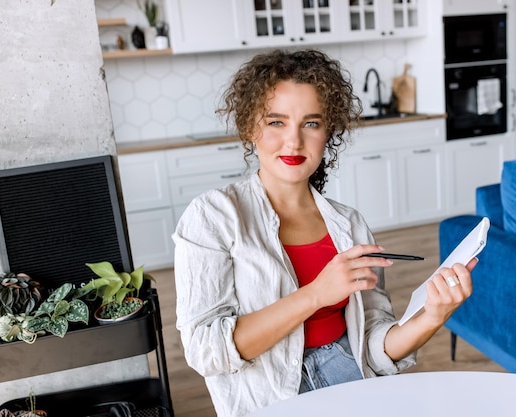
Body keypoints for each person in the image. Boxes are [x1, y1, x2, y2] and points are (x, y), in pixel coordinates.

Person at [173, 49, 476, 417]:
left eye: (311, 124)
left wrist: (431, 316)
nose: (294, 141)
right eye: (276, 122)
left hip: (349, 379)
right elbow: (206, 351)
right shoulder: (214, 216)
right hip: (268, 399)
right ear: (251, 127)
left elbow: (373, 347)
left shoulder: (349, 225)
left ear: (328, 132)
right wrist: (316, 294)